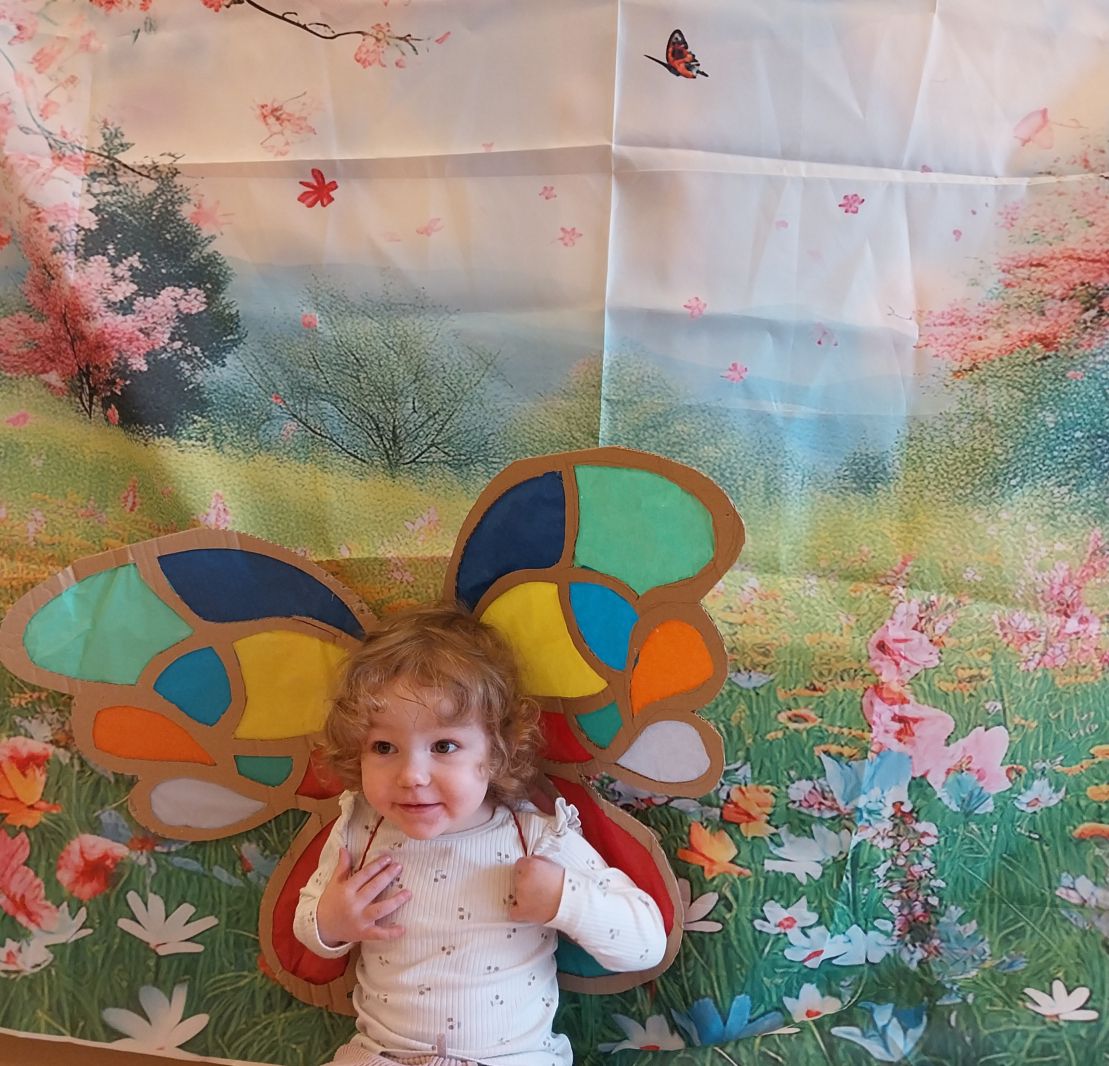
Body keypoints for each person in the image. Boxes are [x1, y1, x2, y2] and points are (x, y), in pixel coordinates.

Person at [294, 603, 667, 1066]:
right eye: (384, 747)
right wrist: (330, 922)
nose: (411, 775)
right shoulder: (360, 830)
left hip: (512, 1058)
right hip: (383, 1054)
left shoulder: (536, 838)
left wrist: (565, 899)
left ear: (495, 753)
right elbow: (307, 922)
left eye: (444, 745)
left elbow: (646, 944)